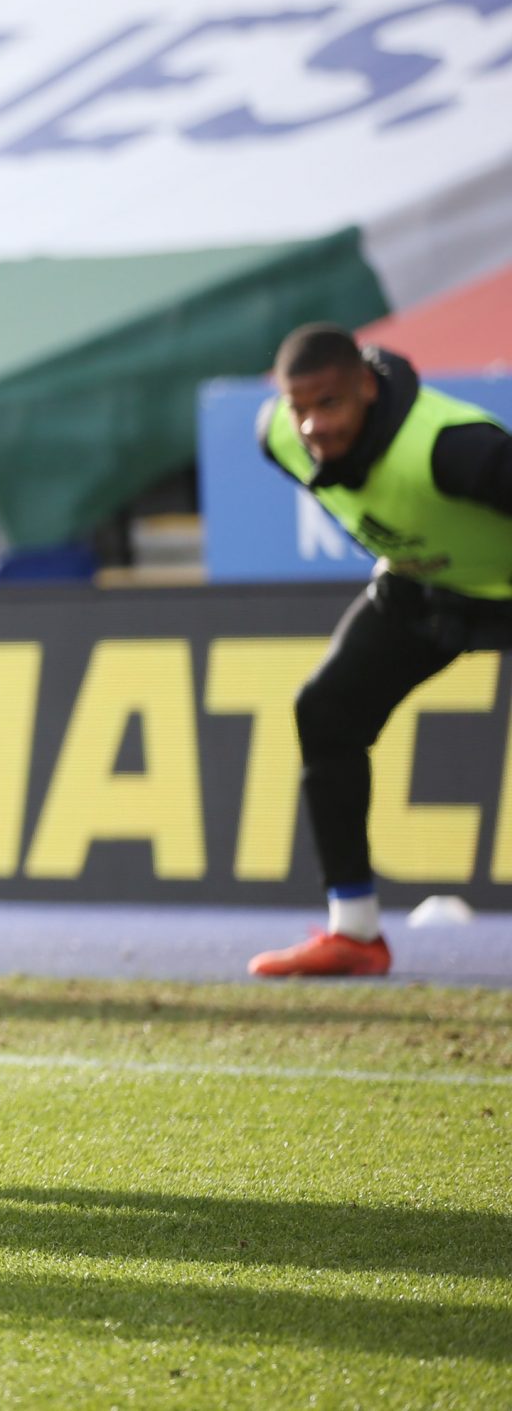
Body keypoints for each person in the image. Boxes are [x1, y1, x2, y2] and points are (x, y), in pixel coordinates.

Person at [248, 324, 512, 977]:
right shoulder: (277, 436)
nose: (310, 424)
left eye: (328, 404)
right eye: (299, 406)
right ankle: (355, 934)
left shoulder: (455, 449)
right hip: (423, 584)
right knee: (325, 710)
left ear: (367, 387)